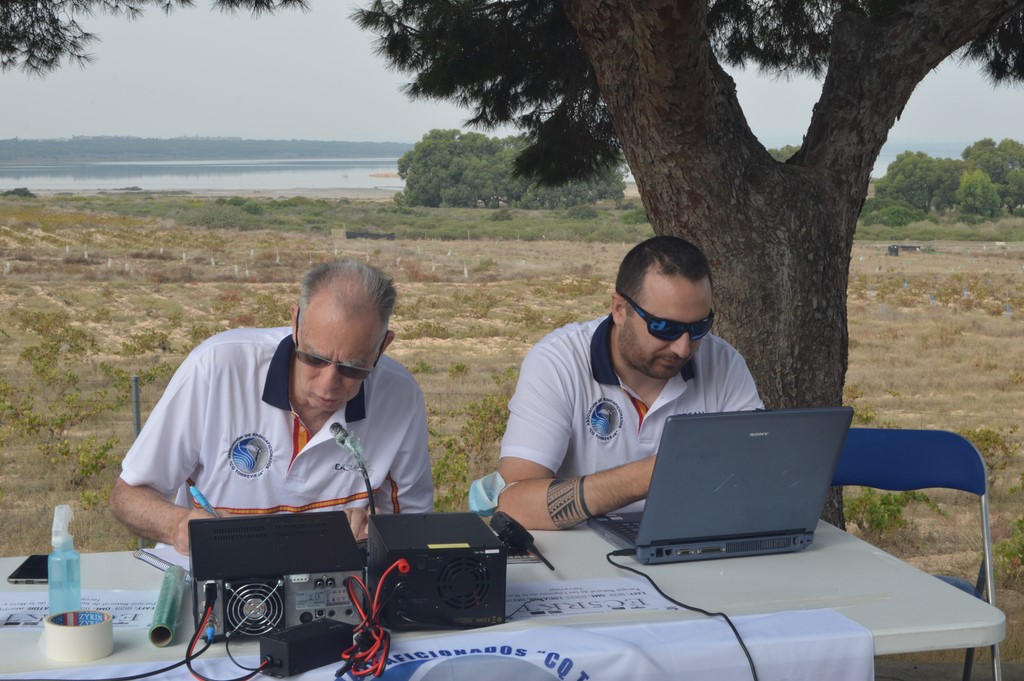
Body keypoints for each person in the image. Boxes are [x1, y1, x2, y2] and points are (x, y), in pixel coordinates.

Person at [110, 259, 433, 554]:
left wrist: (372, 533)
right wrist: (179, 527)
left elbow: (412, 531)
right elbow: (128, 496)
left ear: (382, 347)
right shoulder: (216, 367)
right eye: (315, 359)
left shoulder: (400, 395)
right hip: (215, 580)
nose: (328, 385)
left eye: (354, 367)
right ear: (295, 323)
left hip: (338, 589)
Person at [489, 235, 763, 530]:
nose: (683, 348)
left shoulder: (723, 362)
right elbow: (514, 503)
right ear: (620, 309)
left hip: (696, 543)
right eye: (664, 327)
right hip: (585, 557)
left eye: (699, 328)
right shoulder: (558, 361)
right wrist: (651, 475)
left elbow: (758, 472)